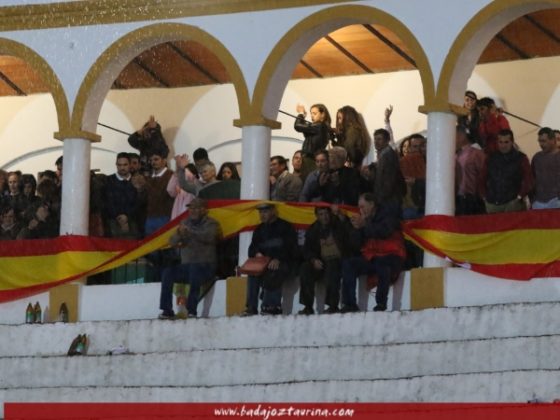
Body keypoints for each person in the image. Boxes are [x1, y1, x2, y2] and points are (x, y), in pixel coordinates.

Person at [340, 193, 405, 313]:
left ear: (372, 204)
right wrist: (357, 229)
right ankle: (349, 304)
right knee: (349, 264)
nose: (361, 210)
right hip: (373, 256)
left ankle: (381, 303)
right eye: (359, 207)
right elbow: (355, 245)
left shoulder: (388, 214)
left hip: (392, 255)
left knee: (382, 264)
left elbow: (384, 231)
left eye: (363, 207)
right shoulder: (365, 219)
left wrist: (365, 225)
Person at [158, 198, 222, 319]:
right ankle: (167, 310)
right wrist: (179, 233)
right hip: (187, 268)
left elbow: (209, 237)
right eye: (190, 208)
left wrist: (190, 232)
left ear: (204, 210)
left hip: (206, 267)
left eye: (196, 208)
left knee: (195, 269)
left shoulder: (212, 223)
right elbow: (172, 242)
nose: (192, 211)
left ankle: (191, 310)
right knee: (167, 272)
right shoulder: (184, 223)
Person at [243, 202, 297, 316]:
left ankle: (271, 306)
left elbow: (292, 249)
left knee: (274, 269)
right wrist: (257, 254)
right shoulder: (259, 230)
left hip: (285, 263)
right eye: (261, 212)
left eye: (265, 212)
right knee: (253, 273)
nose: (262, 215)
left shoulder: (286, 227)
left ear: (273, 211)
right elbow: (251, 250)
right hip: (264, 264)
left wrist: (278, 259)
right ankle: (251, 308)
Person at [298, 205, 354, 315]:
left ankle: (332, 305)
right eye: (321, 214)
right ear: (317, 216)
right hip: (320, 261)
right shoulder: (313, 229)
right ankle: (308, 306)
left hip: (337, 261)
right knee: (305, 268)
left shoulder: (337, 225)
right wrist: (313, 260)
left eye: (327, 213)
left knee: (333, 267)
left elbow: (348, 233)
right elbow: (307, 249)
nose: (325, 217)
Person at [481, 129, 532, 214]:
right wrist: (484, 197)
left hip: (513, 203)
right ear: (497, 142)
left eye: (506, 142)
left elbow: (528, 179)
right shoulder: (490, 158)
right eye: (500, 142)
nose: (503, 145)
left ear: (512, 142)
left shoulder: (521, 158)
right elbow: (482, 178)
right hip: (492, 203)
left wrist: (519, 197)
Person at [103, 152, 139, 238]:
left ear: (130, 165)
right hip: (113, 223)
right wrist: (120, 217)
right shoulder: (108, 181)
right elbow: (107, 202)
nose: (122, 167)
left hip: (133, 223)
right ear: (116, 165)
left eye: (125, 165)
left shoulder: (137, 181)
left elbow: (139, 202)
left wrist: (127, 217)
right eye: (119, 165)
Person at [294, 103, 332, 181]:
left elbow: (297, 126)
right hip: (310, 160)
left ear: (323, 114)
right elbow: (305, 129)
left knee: (309, 184)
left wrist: (300, 113)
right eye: (311, 113)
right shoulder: (319, 127)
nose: (312, 116)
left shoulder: (319, 126)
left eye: (314, 113)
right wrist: (303, 117)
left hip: (311, 161)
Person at [371, 128, 405, 213]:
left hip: (389, 200)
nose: (376, 142)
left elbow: (389, 180)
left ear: (387, 141)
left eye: (379, 139)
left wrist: (380, 198)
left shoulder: (388, 155)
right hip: (387, 199)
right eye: (375, 139)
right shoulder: (383, 154)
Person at [455, 125, 485, 215]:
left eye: (454, 135)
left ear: (462, 135)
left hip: (473, 199)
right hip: (457, 198)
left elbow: (484, 175)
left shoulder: (476, 154)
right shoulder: (455, 154)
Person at [531, 127, 560, 209]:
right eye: (539, 141)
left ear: (553, 140)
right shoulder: (537, 157)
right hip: (538, 202)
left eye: (543, 141)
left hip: (556, 202)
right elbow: (531, 178)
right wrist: (533, 200)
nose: (541, 144)